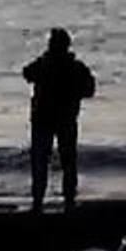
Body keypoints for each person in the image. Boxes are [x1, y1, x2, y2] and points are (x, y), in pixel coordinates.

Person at [23, 28, 95, 212]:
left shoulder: (48, 64)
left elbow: (27, 73)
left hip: (47, 118)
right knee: (66, 161)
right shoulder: (74, 67)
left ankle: (40, 201)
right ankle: (66, 200)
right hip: (62, 118)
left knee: (44, 161)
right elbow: (89, 90)